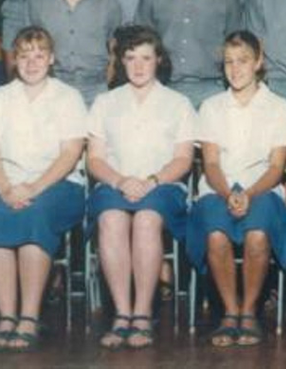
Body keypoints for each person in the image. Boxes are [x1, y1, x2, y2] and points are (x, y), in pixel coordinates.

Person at [0, 27, 88, 352]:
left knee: (36, 214)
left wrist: (34, 188)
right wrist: (6, 187)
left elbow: (70, 153)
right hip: (5, 182)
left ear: (51, 59)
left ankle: (29, 316)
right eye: (24, 55)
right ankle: (7, 317)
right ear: (15, 59)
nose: (32, 62)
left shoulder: (68, 97)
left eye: (39, 55)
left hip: (57, 185)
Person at [187, 31, 286, 348]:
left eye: (243, 61)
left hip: (263, 188)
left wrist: (248, 194)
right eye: (228, 62)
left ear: (258, 61)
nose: (235, 69)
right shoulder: (211, 106)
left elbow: (277, 167)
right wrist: (228, 194)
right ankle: (230, 311)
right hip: (218, 187)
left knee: (257, 235)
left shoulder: (278, 107)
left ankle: (249, 311)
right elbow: (210, 164)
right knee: (216, 234)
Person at [86, 25, 196, 350]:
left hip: (163, 185)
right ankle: (122, 314)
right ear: (121, 61)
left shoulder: (178, 103)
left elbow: (183, 159)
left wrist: (151, 182)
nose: (137, 65)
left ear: (158, 60)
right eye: (130, 57)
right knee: (111, 219)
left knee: (147, 218)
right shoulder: (105, 102)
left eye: (146, 58)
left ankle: (143, 313)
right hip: (114, 182)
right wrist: (120, 181)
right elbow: (95, 159)